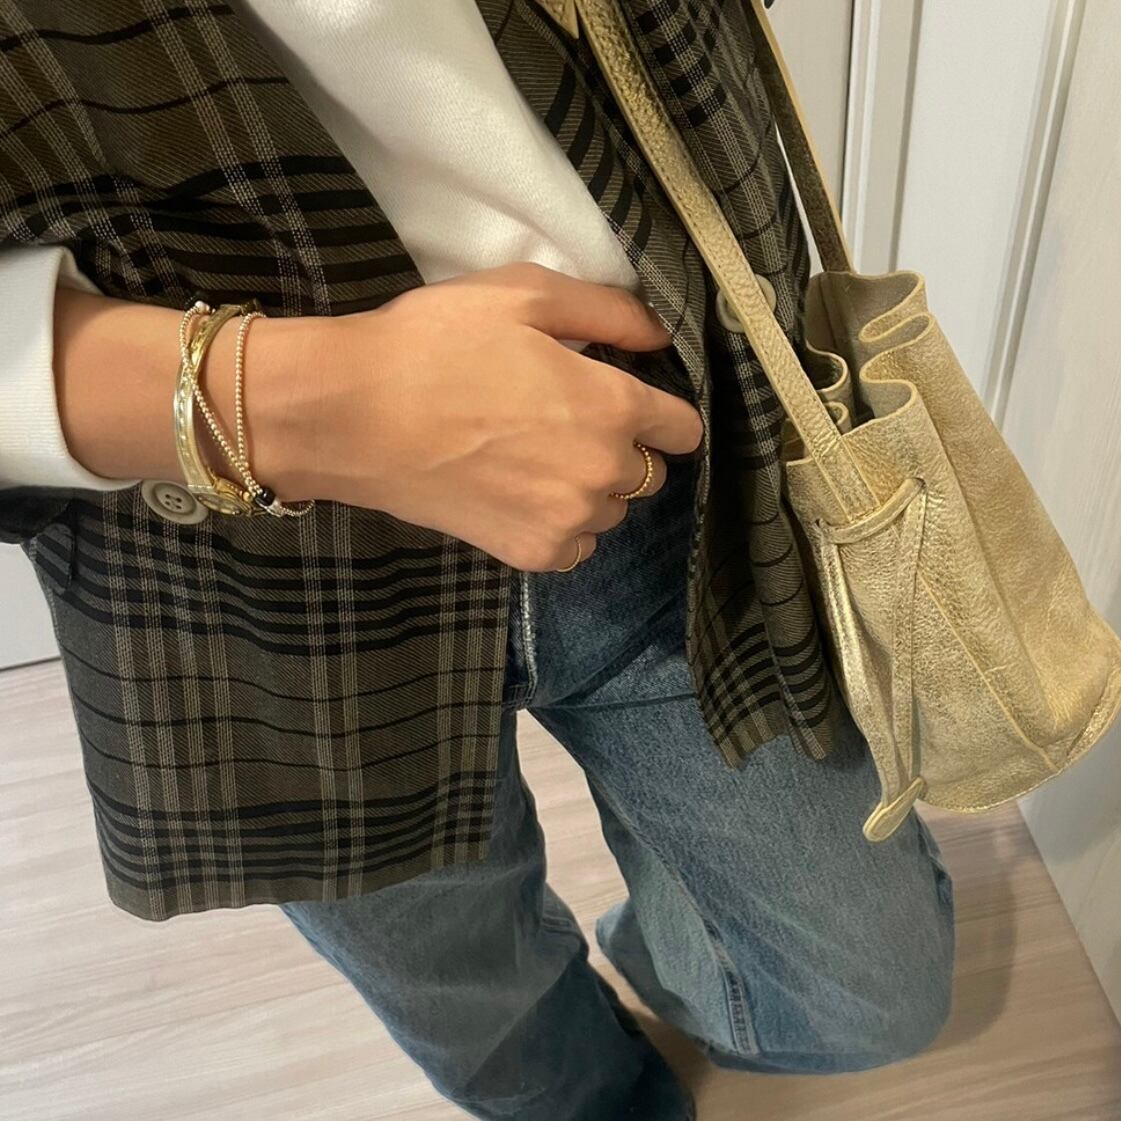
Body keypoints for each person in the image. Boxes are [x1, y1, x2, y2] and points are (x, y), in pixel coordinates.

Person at [0, 2, 954, 1118]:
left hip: (658, 440)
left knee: (865, 994)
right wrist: (312, 403)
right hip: (232, 564)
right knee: (492, 1023)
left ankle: (667, 959)